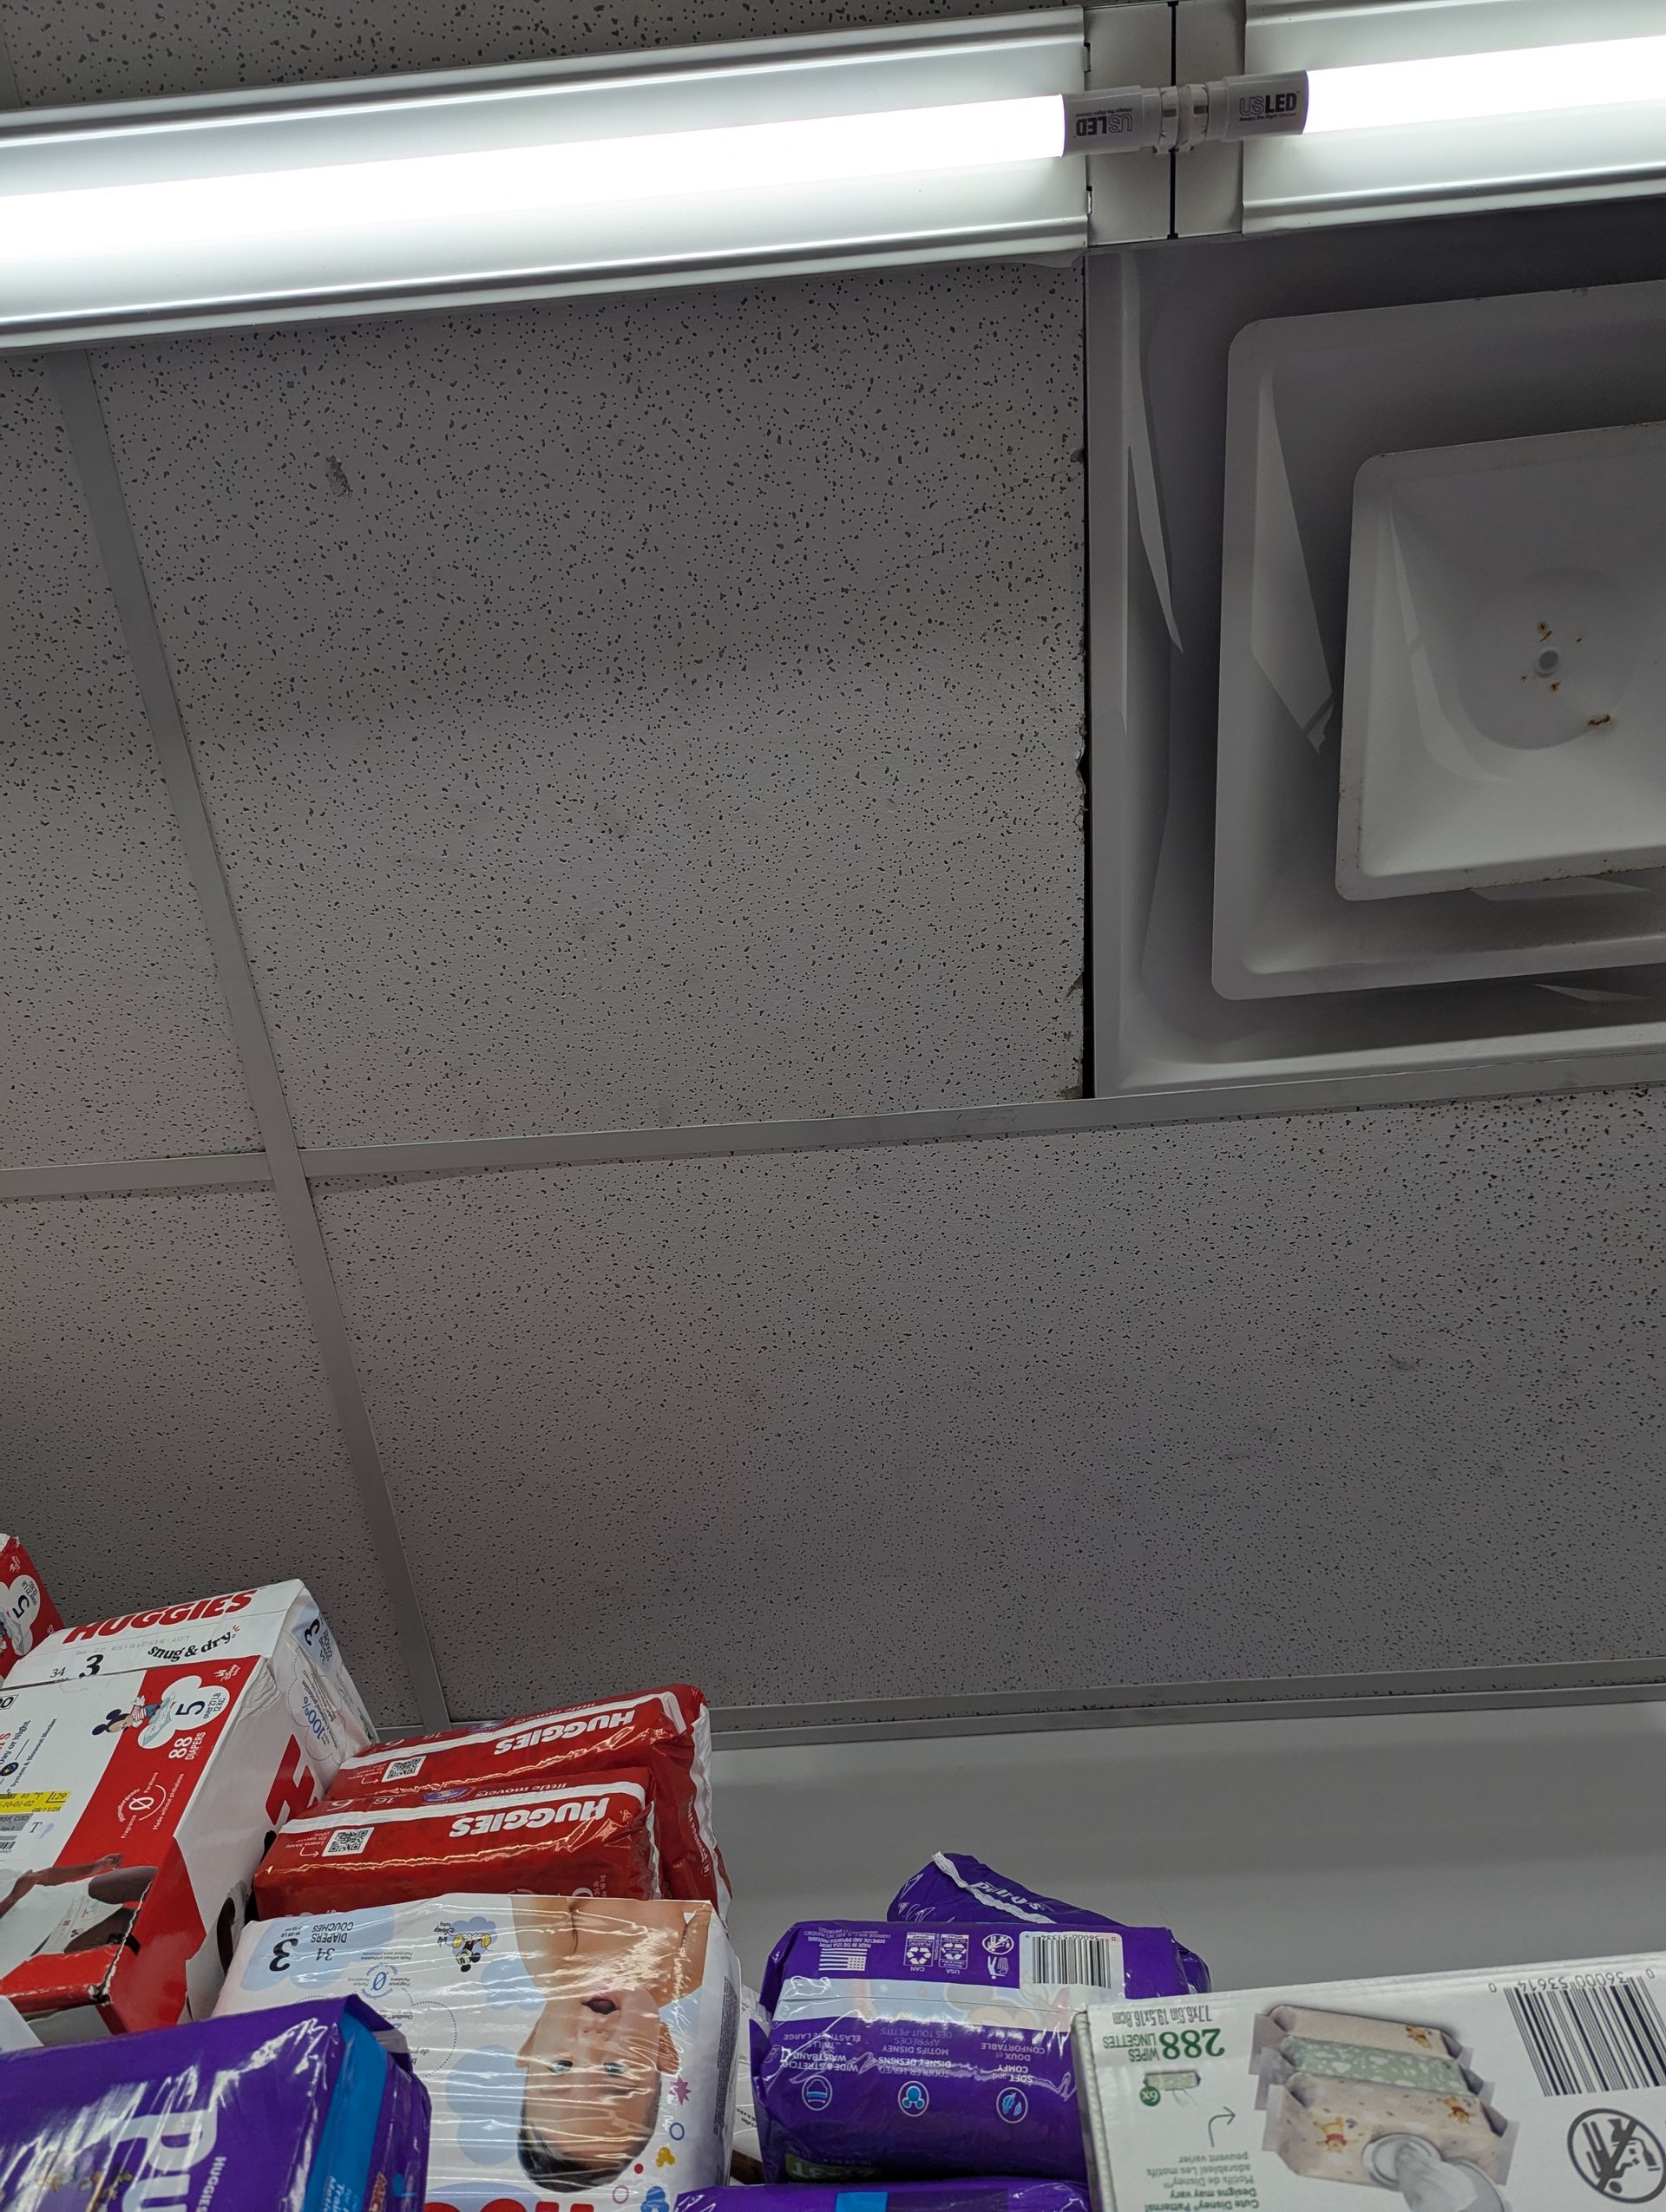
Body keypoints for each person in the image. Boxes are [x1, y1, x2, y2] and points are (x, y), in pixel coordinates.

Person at [511, 1897, 708, 2190]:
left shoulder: (553, 1961)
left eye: (562, 2065)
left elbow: (535, 1875)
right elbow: (709, 1910)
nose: (591, 2043)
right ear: (663, 2047)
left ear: (533, 2039)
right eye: (615, 2068)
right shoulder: (681, 1975)